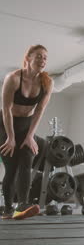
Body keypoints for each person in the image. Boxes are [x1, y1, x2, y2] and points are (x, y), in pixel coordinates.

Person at [0, 45, 54, 220]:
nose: (42, 60)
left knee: (28, 156)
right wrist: (10, 137)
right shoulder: (13, 78)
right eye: (38, 56)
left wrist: (30, 136)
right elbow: (6, 110)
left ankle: (23, 204)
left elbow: (39, 111)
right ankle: (8, 208)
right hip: (5, 125)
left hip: (26, 125)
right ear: (28, 58)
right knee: (11, 166)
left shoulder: (47, 83)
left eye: (45, 58)